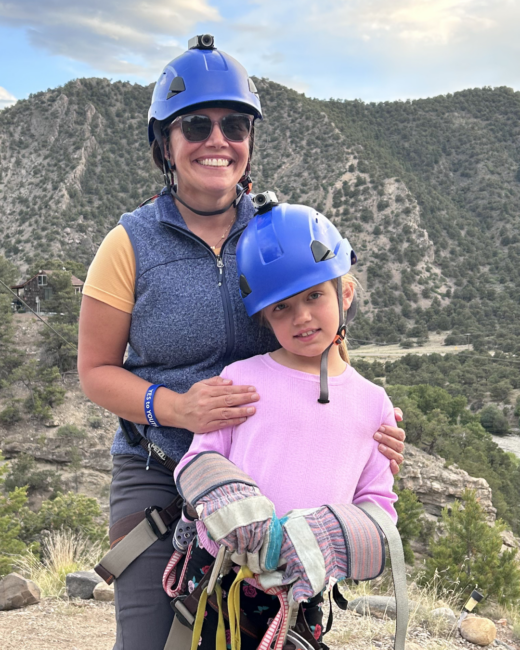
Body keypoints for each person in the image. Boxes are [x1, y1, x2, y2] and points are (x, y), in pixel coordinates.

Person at [77, 35, 405, 650]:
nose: (216, 139)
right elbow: (94, 371)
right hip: (158, 468)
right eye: (195, 124)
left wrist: (367, 422)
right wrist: (177, 409)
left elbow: (321, 339)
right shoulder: (129, 244)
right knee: (152, 639)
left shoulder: (277, 232)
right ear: (165, 145)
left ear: (250, 141)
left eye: (234, 124)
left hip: (267, 482)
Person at [173, 201, 398, 650]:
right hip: (222, 581)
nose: (301, 318)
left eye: (314, 295)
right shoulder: (241, 379)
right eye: (281, 308)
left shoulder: (375, 405)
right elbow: (198, 460)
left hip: (302, 595)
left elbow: (378, 506)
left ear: (345, 294)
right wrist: (230, 505)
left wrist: (331, 537)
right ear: (264, 316)